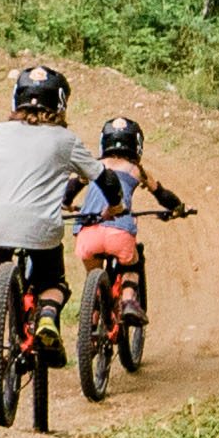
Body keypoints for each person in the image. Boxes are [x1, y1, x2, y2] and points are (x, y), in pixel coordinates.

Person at [0, 62, 89, 370]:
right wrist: (115, 207)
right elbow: (105, 179)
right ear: (60, 102)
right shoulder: (66, 141)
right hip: (42, 229)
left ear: (16, 98)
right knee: (53, 281)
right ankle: (47, 317)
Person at [71, 114, 193, 326]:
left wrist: (67, 204)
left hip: (87, 234)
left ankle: (93, 311)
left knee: (93, 272)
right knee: (132, 263)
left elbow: (71, 188)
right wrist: (178, 208)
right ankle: (128, 300)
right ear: (136, 144)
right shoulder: (137, 170)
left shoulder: (93, 166)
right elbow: (162, 194)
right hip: (119, 231)